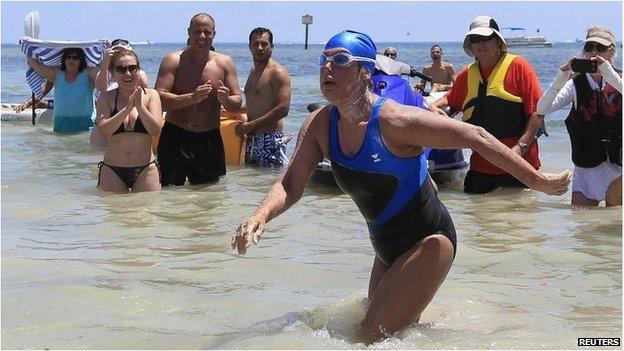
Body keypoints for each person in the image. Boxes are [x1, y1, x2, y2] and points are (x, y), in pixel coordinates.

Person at [231, 30, 571, 344]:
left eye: (340, 61)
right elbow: (290, 184)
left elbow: (476, 136)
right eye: (324, 60)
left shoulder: (394, 121)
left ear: (366, 72)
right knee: (384, 332)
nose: (327, 69)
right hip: (386, 249)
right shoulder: (320, 124)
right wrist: (260, 215)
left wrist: (537, 181)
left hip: (428, 241)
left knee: (367, 338)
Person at [428, 16, 544, 194]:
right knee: (476, 218)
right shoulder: (467, 74)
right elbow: (451, 100)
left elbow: (537, 114)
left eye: (486, 38)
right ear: (470, 45)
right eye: (475, 39)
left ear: (498, 41)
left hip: (520, 165)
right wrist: (433, 107)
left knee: (521, 219)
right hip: (481, 168)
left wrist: (520, 148)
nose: (480, 44)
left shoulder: (519, 66)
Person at [537, 25, 621, 207]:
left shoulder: (620, 80)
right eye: (589, 47)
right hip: (586, 166)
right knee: (583, 228)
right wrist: (561, 78)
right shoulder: (576, 83)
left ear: (611, 51)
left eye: (600, 48)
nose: (594, 52)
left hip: (618, 168)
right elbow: (542, 109)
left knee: (613, 227)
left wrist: (610, 75)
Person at [155, 13, 242, 186]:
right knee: (169, 192)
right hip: (175, 135)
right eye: (197, 32)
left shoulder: (225, 63)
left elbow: (237, 102)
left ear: (214, 34)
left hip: (209, 138)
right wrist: (192, 98)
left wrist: (226, 100)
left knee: (208, 197)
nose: (202, 37)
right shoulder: (173, 60)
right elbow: (160, 98)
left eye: (206, 32)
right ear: (189, 32)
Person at [95, 48, 162, 193]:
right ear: (113, 73)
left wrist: (140, 107)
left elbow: (156, 130)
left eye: (132, 68)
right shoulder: (106, 97)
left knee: (146, 214)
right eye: (121, 69)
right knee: (115, 214)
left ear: (139, 70)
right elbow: (104, 130)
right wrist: (126, 110)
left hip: (146, 168)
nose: (128, 73)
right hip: (112, 170)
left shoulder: (151, 95)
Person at [235, 27, 292, 167]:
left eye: (264, 44)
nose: (260, 48)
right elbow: (255, 105)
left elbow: (283, 109)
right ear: (249, 47)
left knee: (268, 184)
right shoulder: (253, 71)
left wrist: (250, 125)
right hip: (251, 139)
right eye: (255, 44)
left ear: (272, 46)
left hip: (270, 139)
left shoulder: (278, 72)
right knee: (252, 184)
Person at [27, 47, 100, 133]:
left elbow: (103, 70)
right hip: (60, 123)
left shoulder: (88, 74)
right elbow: (37, 65)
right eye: (68, 57)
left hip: (85, 123)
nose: (71, 60)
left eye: (75, 57)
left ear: (81, 60)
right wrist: (29, 48)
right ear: (64, 59)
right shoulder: (56, 74)